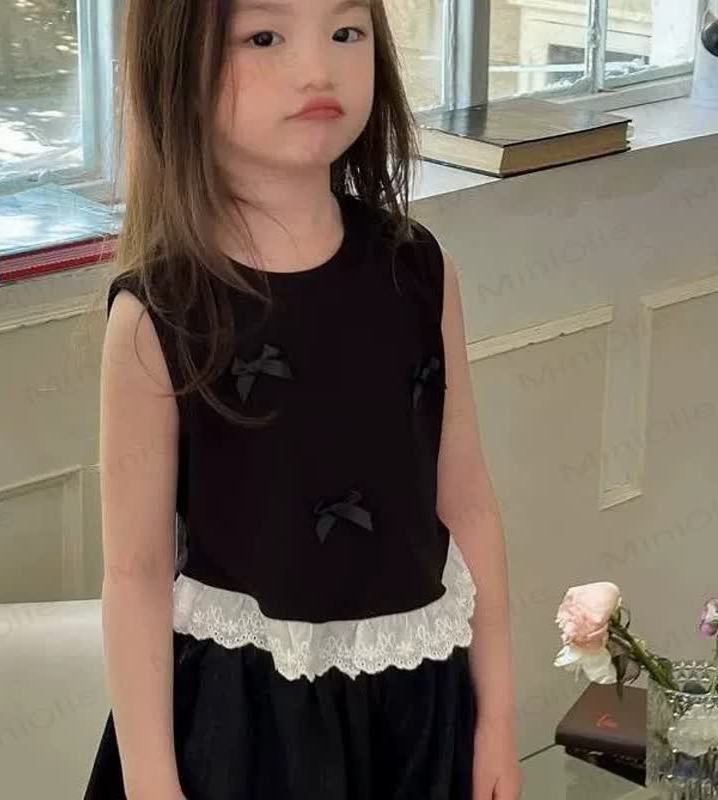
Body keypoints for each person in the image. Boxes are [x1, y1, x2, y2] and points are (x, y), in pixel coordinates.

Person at [84, 1, 522, 799]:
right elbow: (135, 572)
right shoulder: (159, 315)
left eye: (346, 33)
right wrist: (151, 783)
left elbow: (469, 505)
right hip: (243, 736)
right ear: (180, 68)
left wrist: (496, 718)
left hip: (419, 719)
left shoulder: (421, 272)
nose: (318, 70)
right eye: (264, 37)